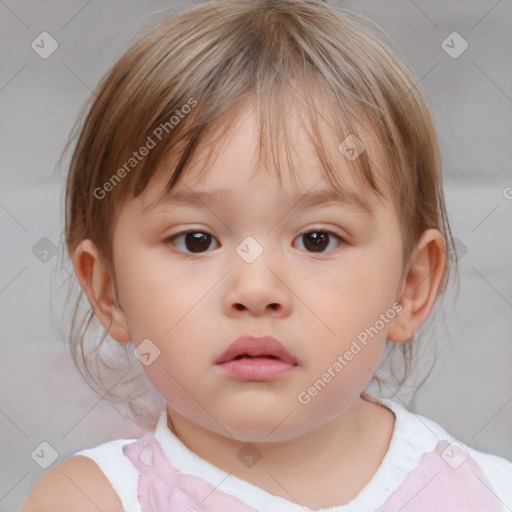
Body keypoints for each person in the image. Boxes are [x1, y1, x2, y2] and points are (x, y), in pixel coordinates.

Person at [21, 0, 512, 510]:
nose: (256, 291)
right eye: (196, 240)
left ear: (410, 287)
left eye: (317, 239)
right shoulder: (92, 501)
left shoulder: (488, 493)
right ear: (107, 289)